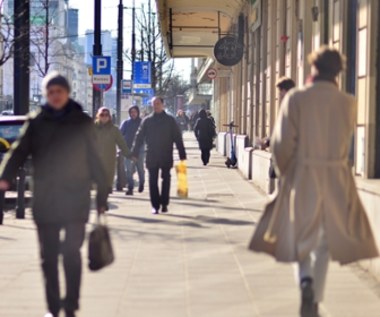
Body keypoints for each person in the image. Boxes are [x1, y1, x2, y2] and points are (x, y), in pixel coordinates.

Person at [249, 46, 379, 317]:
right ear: (338, 72)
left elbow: (282, 144)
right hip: (336, 177)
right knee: (324, 241)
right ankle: (315, 299)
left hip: (303, 175)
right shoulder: (348, 102)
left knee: (300, 237)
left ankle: (305, 282)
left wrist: (286, 173)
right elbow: (345, 144)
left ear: (313, 67)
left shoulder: (296, 98)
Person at [0, 72, 108, 317]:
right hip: (46, 200)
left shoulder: (81, 122)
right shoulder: (36, 121)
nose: (55, 96)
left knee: (71, 254)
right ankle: (53, 307)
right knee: (48, 258)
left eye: (59, 91)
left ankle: (70, 304)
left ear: (67, 93)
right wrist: (5, 176)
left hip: (75, 199)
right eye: (51, 92)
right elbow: (18, 152)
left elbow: (95, 160)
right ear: (47, 95)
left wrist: (102, 196)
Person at [132, 97, 187, 214]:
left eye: (158, 103)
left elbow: (177, 137)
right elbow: (139, 137)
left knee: (166, 179)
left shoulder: (170, 120)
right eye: (154, 104)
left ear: (163, 105)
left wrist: (182, 153)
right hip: (152, 154)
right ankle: (155, 205)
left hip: (166, 154)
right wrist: (135, 152)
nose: (156, 106)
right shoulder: (147, 121)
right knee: (152, 181)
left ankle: (164, 203)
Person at [94, 107, 130, 194]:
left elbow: (121, 143)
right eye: (102, 115)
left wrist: (129, 154)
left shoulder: (114, 129)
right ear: (98, 116)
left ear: (109, 117)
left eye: (106, 115)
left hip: (109, 159)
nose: (104, 117)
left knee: (108, 181)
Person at [120, 106, 145, 195]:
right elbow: (120, 134)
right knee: (128, 170)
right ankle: (130, 187)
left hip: (140, 149)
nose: (133, 114)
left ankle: (142, 182)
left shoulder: (142, 122)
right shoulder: (126, 123)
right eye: (131, 112)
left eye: (135, 112)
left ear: (138, 112)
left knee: (140, 168)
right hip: (128, 149)